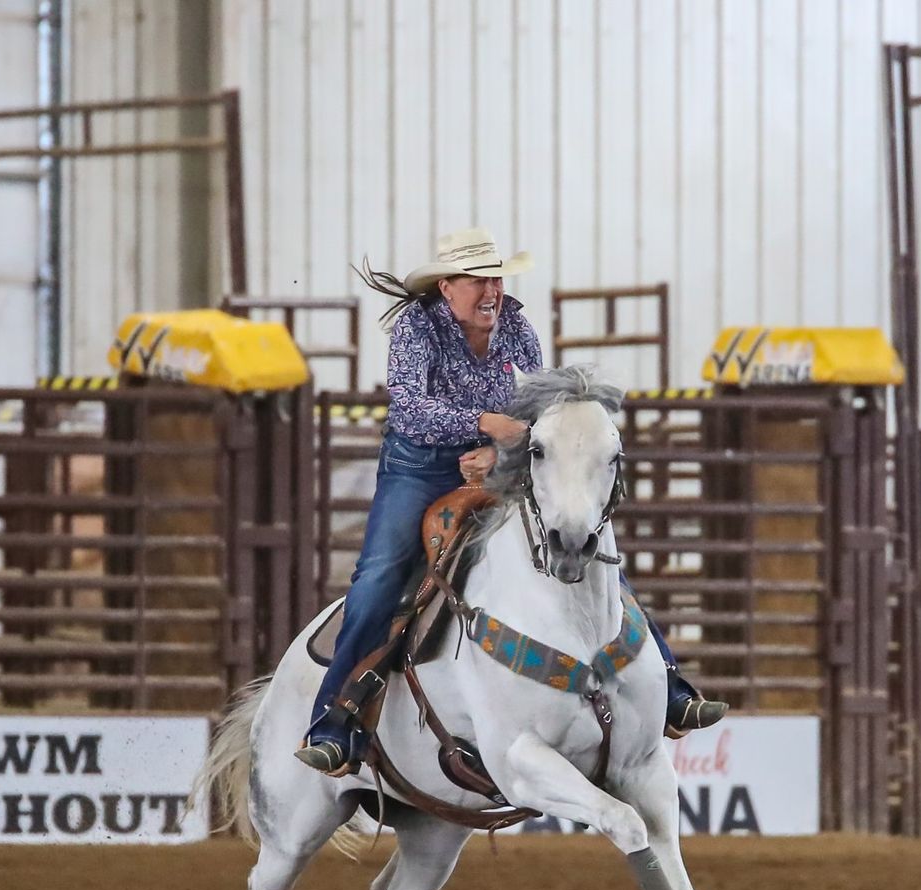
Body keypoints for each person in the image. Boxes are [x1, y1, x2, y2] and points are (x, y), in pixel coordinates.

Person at [296, 228, 727, 775]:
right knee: (380, 577)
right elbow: (409, 411)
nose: (490, 290)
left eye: (495, 277)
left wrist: (500, 450)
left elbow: (535, 408)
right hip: (418, 469)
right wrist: (482, 426)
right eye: (476, 279)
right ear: (446, 287)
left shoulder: (517, 327)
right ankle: (335, 719)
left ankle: (667, 683)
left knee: (581, 543)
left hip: (501, 460)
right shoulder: (416, 329)